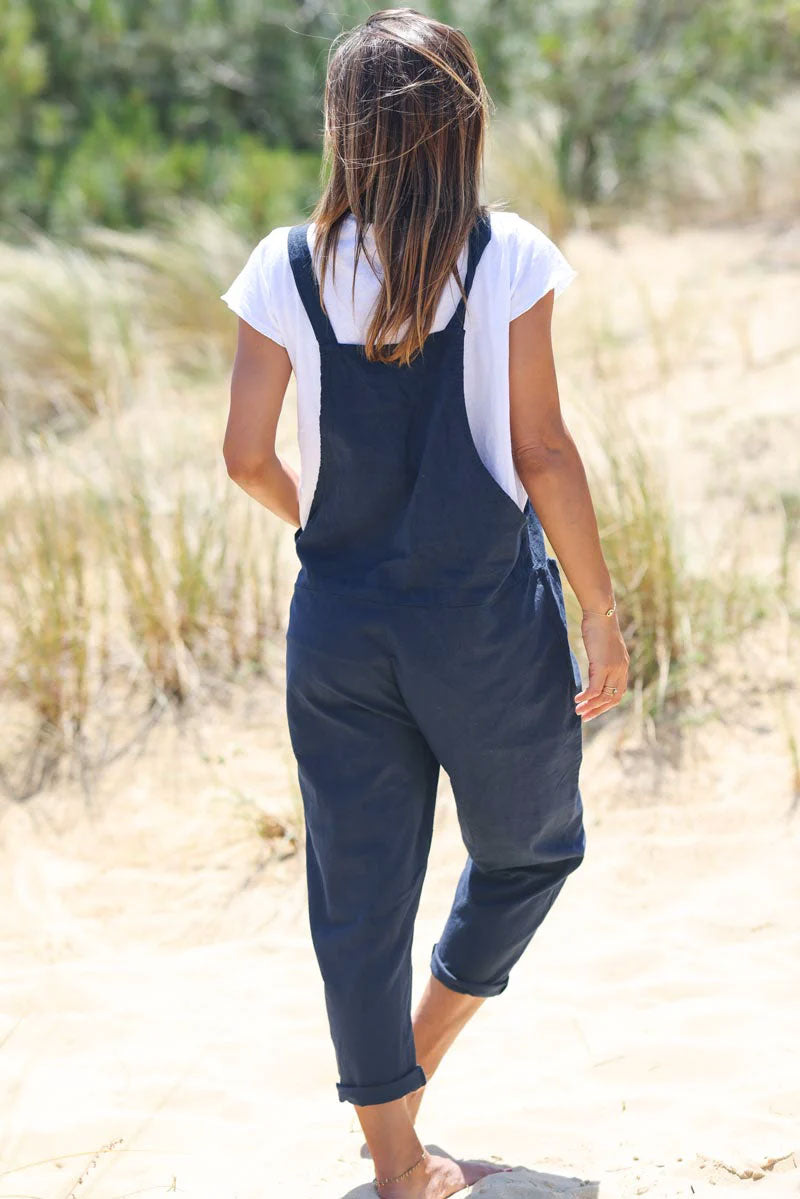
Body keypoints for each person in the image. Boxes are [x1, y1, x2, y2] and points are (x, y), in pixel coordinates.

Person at [220, 8, 629, 1197]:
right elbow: (542, 450)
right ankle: (418, 1055)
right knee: (533, 845)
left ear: (345, 132)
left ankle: (395, 1152)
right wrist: (598, 611)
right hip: (484, 624)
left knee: (357, 890)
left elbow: (245, 456)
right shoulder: (505, 258)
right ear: (463, 127)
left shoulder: (280, 264)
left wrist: (328, 526)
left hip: (337, 626)